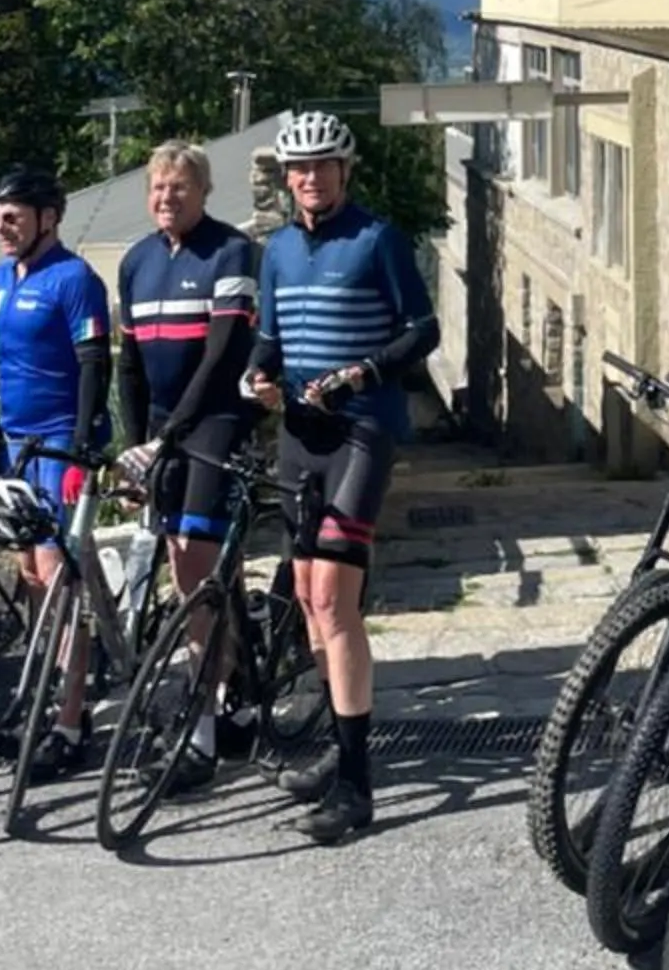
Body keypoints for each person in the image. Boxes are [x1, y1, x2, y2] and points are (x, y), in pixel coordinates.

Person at [249, 107, 438, 846]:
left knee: (333, 595)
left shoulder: (378, 238)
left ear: (343, 170)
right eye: (299, 168)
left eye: (323, 166)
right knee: (303, 595)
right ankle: (337, 745)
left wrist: (365, 371)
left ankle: (358, 785)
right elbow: (268, 340)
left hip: (362, 429)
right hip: (300, 433)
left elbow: (423, 329)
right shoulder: (278, 251)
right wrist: (257, 380)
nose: (309, 178)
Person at [0, 164, 111, 781]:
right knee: (31, 575)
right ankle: (56, 691)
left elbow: (94, 364)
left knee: (56, 578)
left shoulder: (74, 279)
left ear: (47, 218)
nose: (1, 225)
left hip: (58, 444)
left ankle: (72, 721)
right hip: (15, 443)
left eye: (12, 214)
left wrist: (77, 450)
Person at [114, 140, 259, 788]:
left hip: (217, 422)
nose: (166, 197)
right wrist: (135, 440)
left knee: (191, 566)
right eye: (157, 188)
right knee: (198, 575)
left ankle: (198, 737)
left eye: (179, 187)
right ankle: (239, 676)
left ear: (203, 192)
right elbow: (130, 367)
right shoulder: (136, 262)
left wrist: (170, 434)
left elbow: (223, 358)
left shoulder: (231, 252)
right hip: (164, 432)